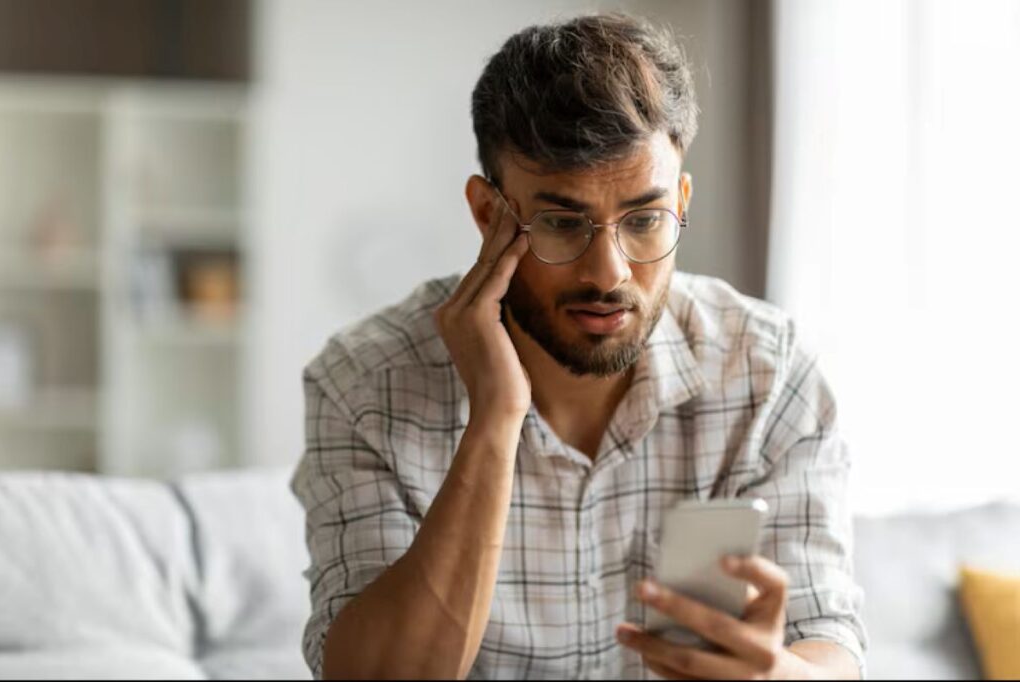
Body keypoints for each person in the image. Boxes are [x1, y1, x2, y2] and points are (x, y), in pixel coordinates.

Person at [292, 13, 867, 680]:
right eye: (563, 223)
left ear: (681, 202)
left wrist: (774, 674)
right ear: (488, 214)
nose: (608, 273)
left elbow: (829, 643)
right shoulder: (366, 382)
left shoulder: (768, 372)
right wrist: (495, 418)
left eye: (644, 219)